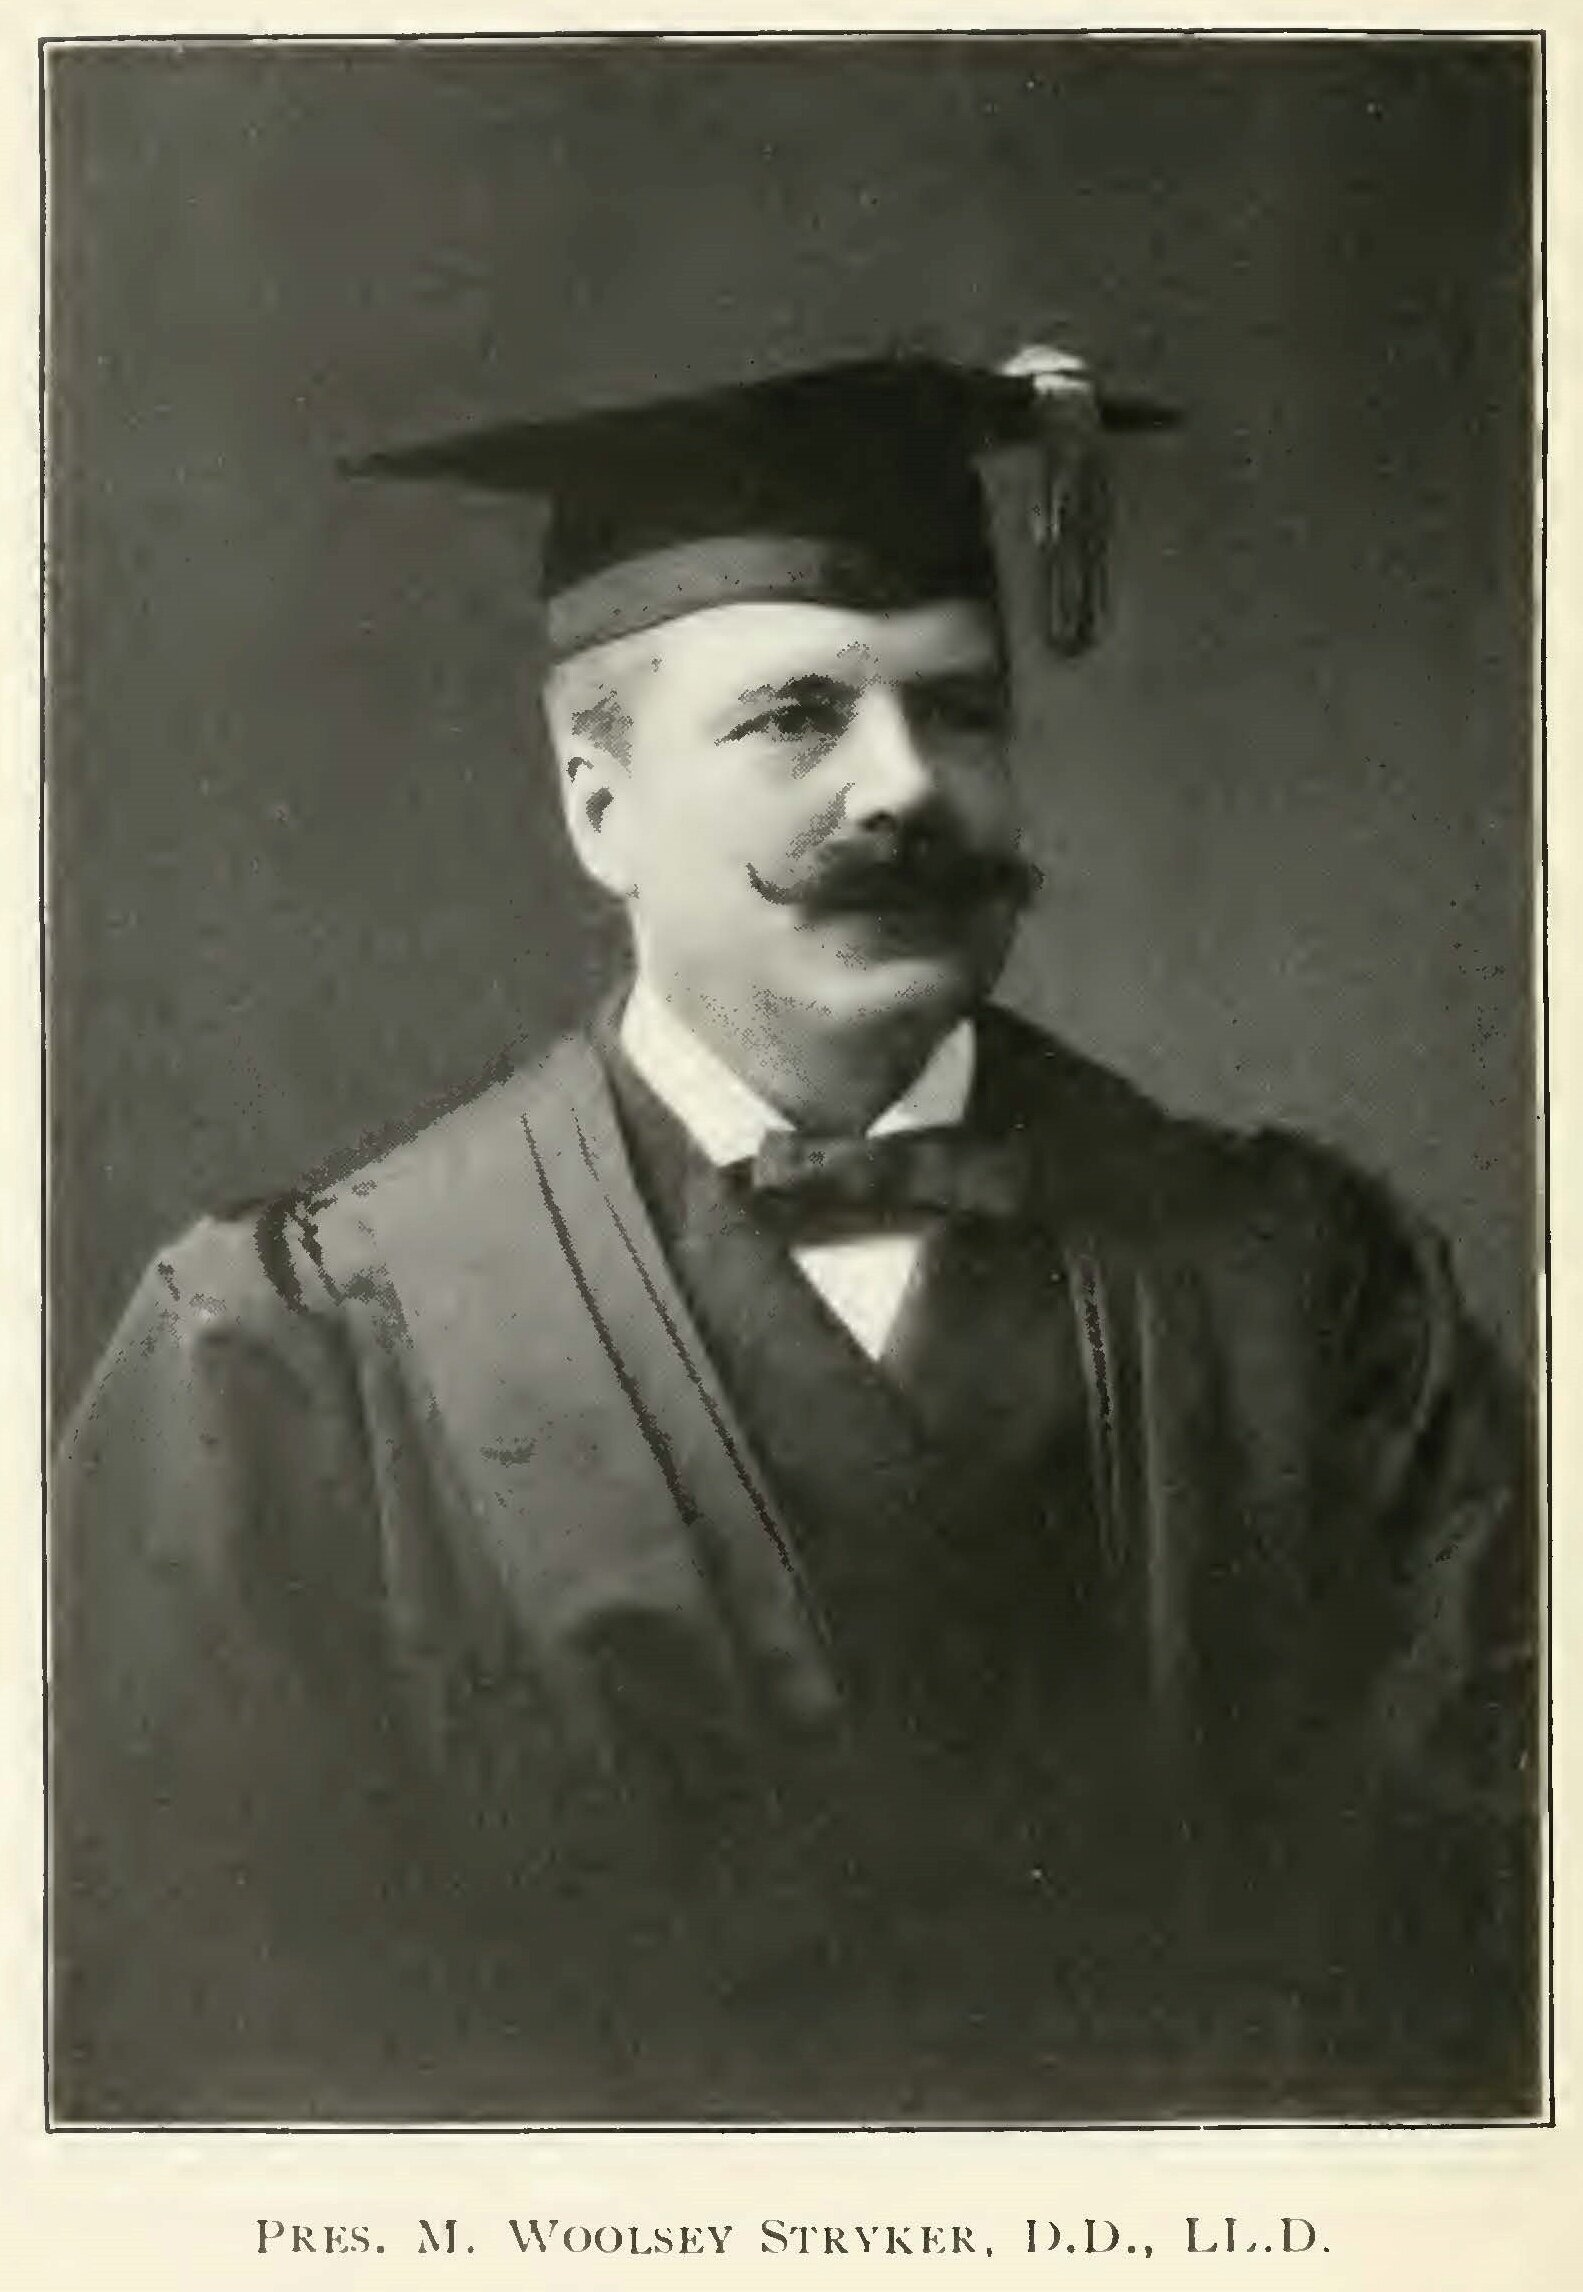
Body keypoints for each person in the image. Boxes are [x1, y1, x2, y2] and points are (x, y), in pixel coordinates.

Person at [51, 349, 1537, 2126]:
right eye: (795, 718)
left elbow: (1474, 1984)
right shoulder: (298, 1362)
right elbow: (198, 2050)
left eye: (961, 711)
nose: (905, 784)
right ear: (599, 808)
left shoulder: (1309, 1296)